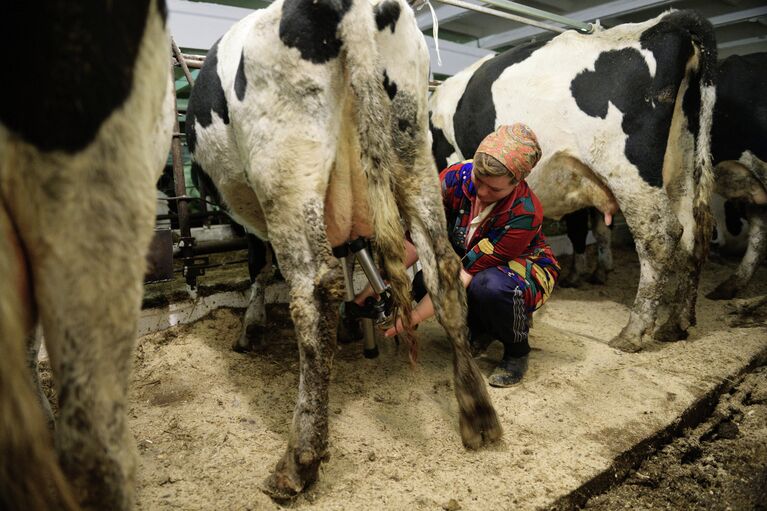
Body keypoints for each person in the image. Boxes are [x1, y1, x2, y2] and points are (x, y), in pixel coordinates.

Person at [380, 123, 560, 387]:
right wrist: (383, 280)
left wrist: (413, 317)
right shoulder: (454, 178)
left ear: (517, 182)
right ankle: (481, 329)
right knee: (423, 282)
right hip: (471, 261)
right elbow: (419, 237)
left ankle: (517, 350)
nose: (483, 193)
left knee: (489, 287)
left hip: (523, 268)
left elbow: (462, 275)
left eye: (495, 190)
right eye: (479, 180)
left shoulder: (524, 213)